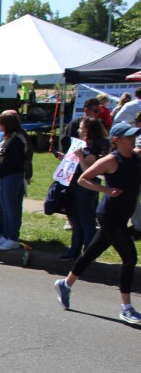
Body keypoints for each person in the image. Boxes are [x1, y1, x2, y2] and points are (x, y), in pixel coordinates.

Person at [55, 123, 141, 324]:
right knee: (130, 258)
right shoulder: (111, 160)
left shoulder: (136, 157)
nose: (132, 139)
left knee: (91, 253)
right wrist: (106, 190)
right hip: (109, 215)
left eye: (133, 136)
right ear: (116, 140)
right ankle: (126, 308)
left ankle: (65, 284)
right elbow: (83, 179)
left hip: (123, 215)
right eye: (128, 137)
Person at [56, 116, 108, 261]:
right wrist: (65, 158)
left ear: (88, 129)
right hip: (75, 186)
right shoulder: (84, 145)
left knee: (86, 221)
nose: (78, 129)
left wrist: (79, 157)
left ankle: (88, 253)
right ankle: (74, 251)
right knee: (76, 221)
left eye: (81, 127)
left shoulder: (93, 148)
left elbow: (88, 171)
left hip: (85, 189)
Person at [0, 110, 29, 251]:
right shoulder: (7, 137)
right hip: (3, 175)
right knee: (4, 208)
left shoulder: (18, 138)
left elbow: (8, 160)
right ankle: (5, 235)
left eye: (1, 123)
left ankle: (13, 238)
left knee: (12, 209)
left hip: (13, 176)